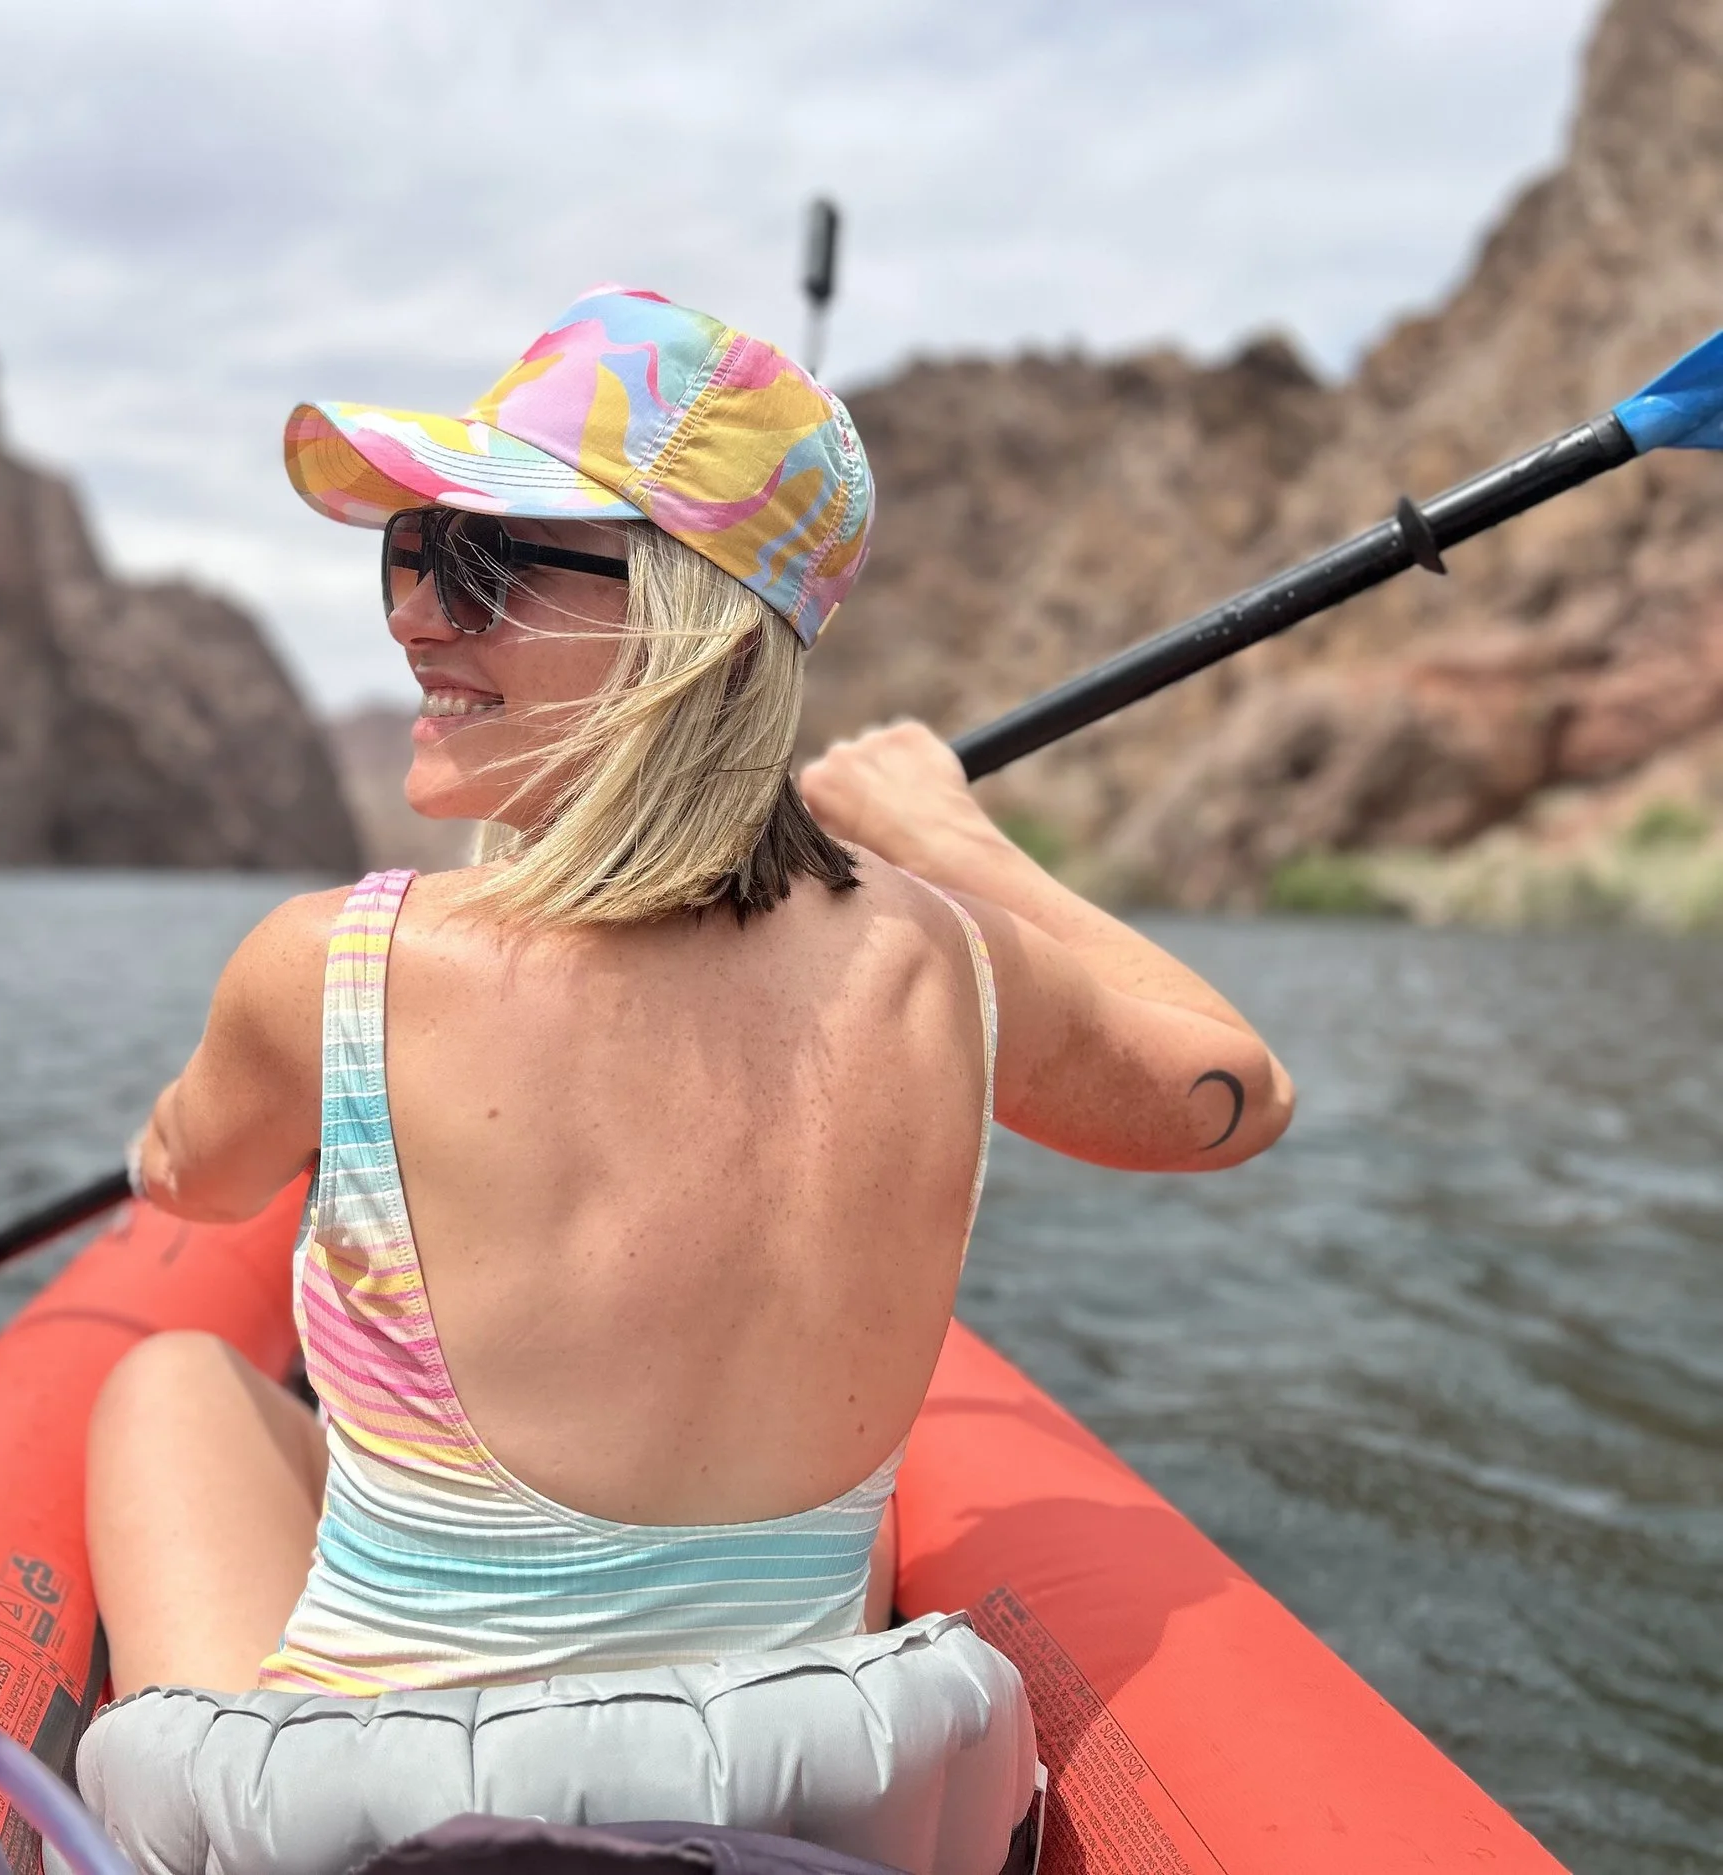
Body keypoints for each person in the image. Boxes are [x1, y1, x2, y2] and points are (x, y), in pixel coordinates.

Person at [84, 285, 1293, 1701]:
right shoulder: (951, 967)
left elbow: (196, 1180)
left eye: (480, 560)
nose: (413, 615)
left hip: (364, 1791)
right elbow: (1242, 1091)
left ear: (686, 625)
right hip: (789, 1786)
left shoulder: (332, 967)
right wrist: (954, 841)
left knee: (172, 1378)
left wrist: (166, 1135)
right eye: (410, 552)